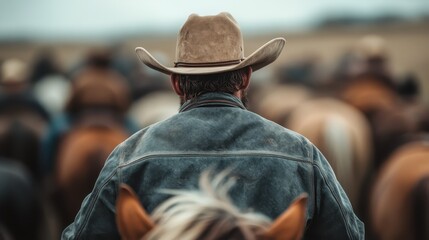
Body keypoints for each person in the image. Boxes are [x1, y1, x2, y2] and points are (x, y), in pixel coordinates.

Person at [62, 12, 364, 239]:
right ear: (245, 78)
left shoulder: (129, 157)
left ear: (176, 83)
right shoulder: (301, 154)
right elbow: (349, 235)